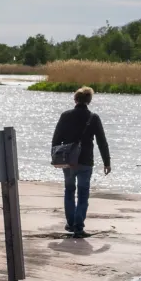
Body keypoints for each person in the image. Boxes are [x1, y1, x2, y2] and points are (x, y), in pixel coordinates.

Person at [51, 86, 111, 238]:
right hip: (85, 161)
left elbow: (56, 139)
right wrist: (107, 162)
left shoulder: (65, 116)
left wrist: (56, 157)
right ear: (89, 101)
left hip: (68, 161)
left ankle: (71, 223)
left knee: (69, 191)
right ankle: (79, 226)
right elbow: (102, 142)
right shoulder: (93, 118)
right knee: (83, 194)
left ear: (75, 99)